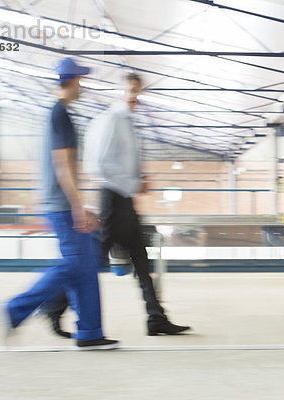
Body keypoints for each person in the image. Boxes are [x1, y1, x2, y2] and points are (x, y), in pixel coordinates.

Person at [43, 72, 190, 337]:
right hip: (112, 199)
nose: (135, 96)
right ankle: (55, 307)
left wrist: (135, 181)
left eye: (139, 91)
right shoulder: (110, 120)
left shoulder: (128, 123)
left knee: (141, 260)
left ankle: (156, 317)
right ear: (120, 91)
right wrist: (132, 183)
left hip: (124, 201)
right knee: (92, 259)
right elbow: (97, 165)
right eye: (131, 90)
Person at [2, 57, 119, 350]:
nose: (83, 86)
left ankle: (90, 332)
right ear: (73, 81)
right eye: (81, 80)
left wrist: (81, 203)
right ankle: (16, 309)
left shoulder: (58, 114)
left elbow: (64, 167)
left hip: (61, 203)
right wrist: (79, 205)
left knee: (85, 263)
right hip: (62, 205)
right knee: (74, 264)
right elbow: (63, 165)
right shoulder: (60, 115)